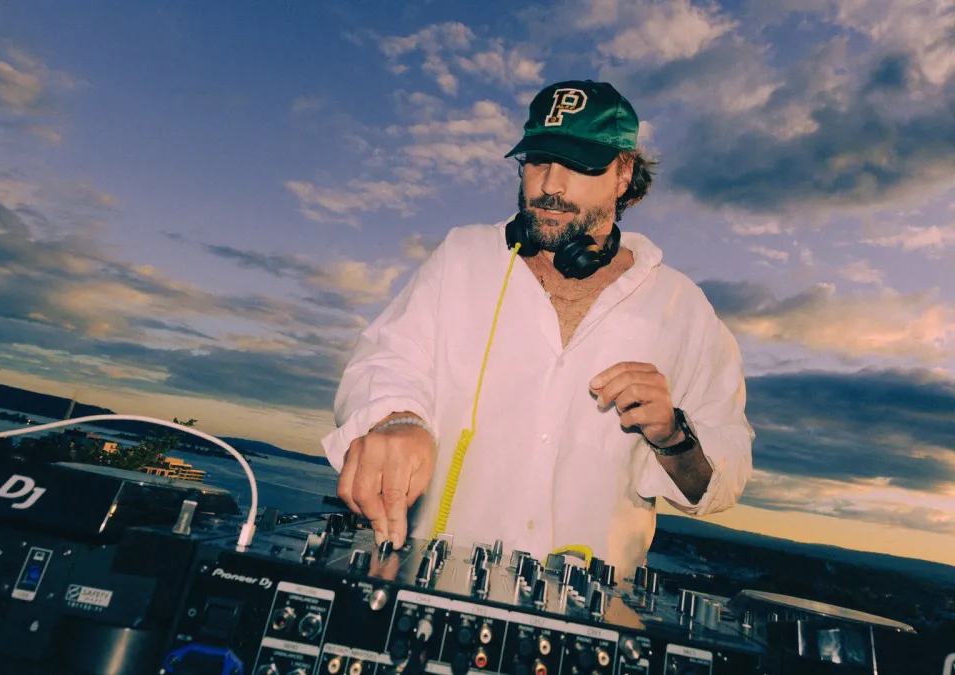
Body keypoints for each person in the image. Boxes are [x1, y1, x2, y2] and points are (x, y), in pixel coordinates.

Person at [320, 79, 754, 576]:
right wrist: (399, 420)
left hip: (587, 613)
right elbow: (386, 360)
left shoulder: (685, 309)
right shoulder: (463, 256)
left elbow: (723, 480)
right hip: (431, 583)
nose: (550, 185)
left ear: (624, 174)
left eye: (579, 165)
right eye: (539, 160)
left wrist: (672, 434)